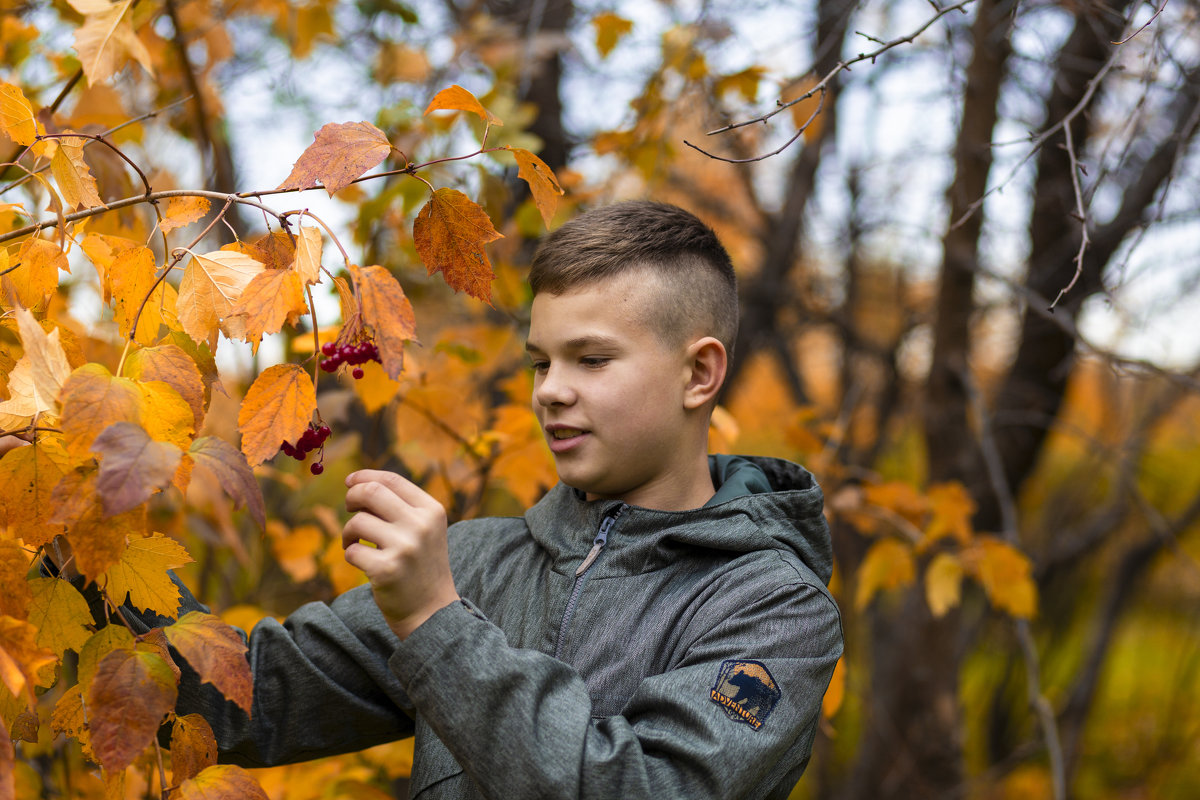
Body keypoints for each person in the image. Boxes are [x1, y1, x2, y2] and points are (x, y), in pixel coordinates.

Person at [11, 200, 843, 798]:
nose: (551, 391)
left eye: (591, 360)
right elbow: (244, 700)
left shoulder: (773, 608)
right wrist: (71, 521)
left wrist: (436, 624)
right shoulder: (475, 562)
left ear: (701, 372)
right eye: (539, 362)